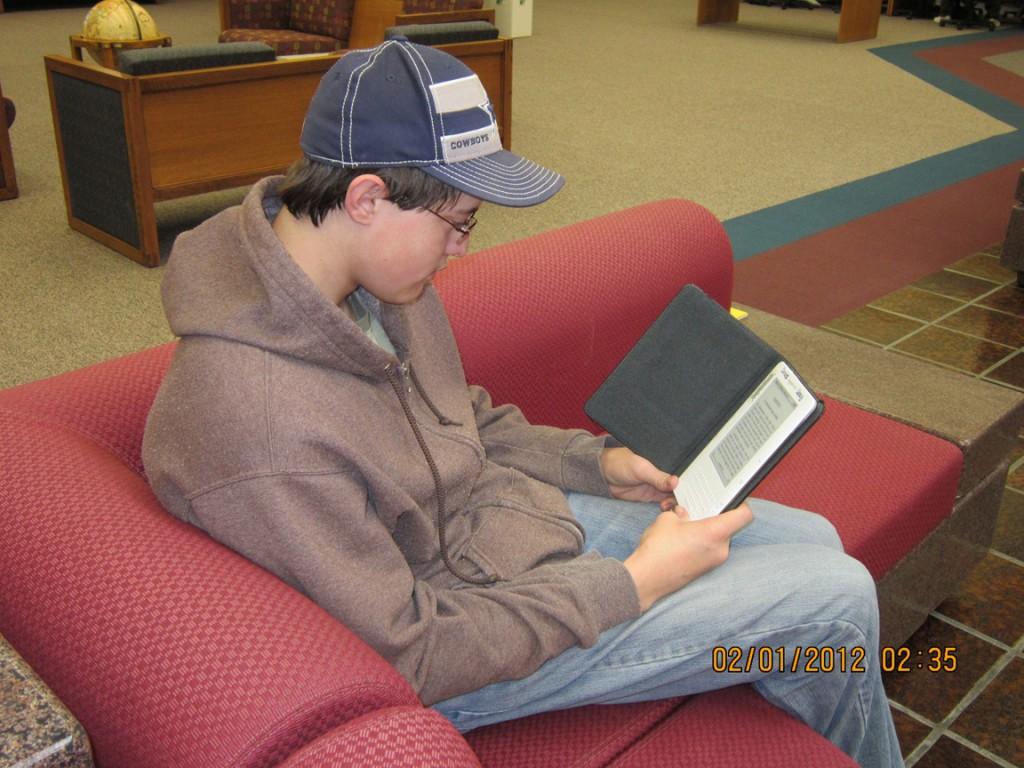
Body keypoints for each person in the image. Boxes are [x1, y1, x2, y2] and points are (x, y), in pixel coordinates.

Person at [142, 39, 903, 768]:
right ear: (367, 197)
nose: (464, 249)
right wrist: (633, 584)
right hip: (461, 652)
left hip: (501, 535)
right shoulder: (261, 427)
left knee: (812, 537)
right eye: (462, 221)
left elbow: (461, 415)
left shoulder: (373, 281)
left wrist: (600, 464)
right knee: (834, 600)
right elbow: (410, 651)